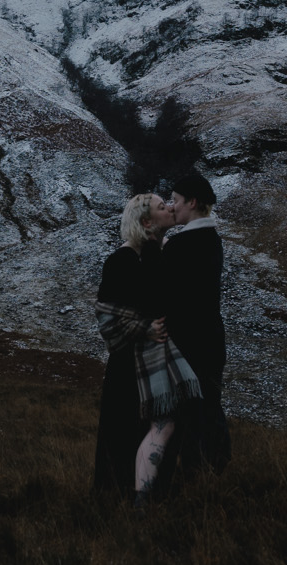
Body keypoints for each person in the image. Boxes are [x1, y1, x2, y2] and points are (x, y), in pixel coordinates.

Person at [92, 193, 200, 504]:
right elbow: (109, 315)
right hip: (129, 366)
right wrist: (143, 327)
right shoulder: (122, 260)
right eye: (161, 206)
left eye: (170, 203)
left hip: (153, 363)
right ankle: (120, 502)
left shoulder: (159, 254)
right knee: (125, 430)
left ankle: (145, 498)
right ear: (147, 222)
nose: (170, 208)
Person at [154, 171, 231, 475]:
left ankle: (196, 474)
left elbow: (164, 295)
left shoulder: (182, 245)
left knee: (190, 412)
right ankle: (215, 470)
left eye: (175, 201)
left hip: (187, 341)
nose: (172, 207)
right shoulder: (212, 240)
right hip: (211, 338)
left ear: (193, 202)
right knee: (209, 404)